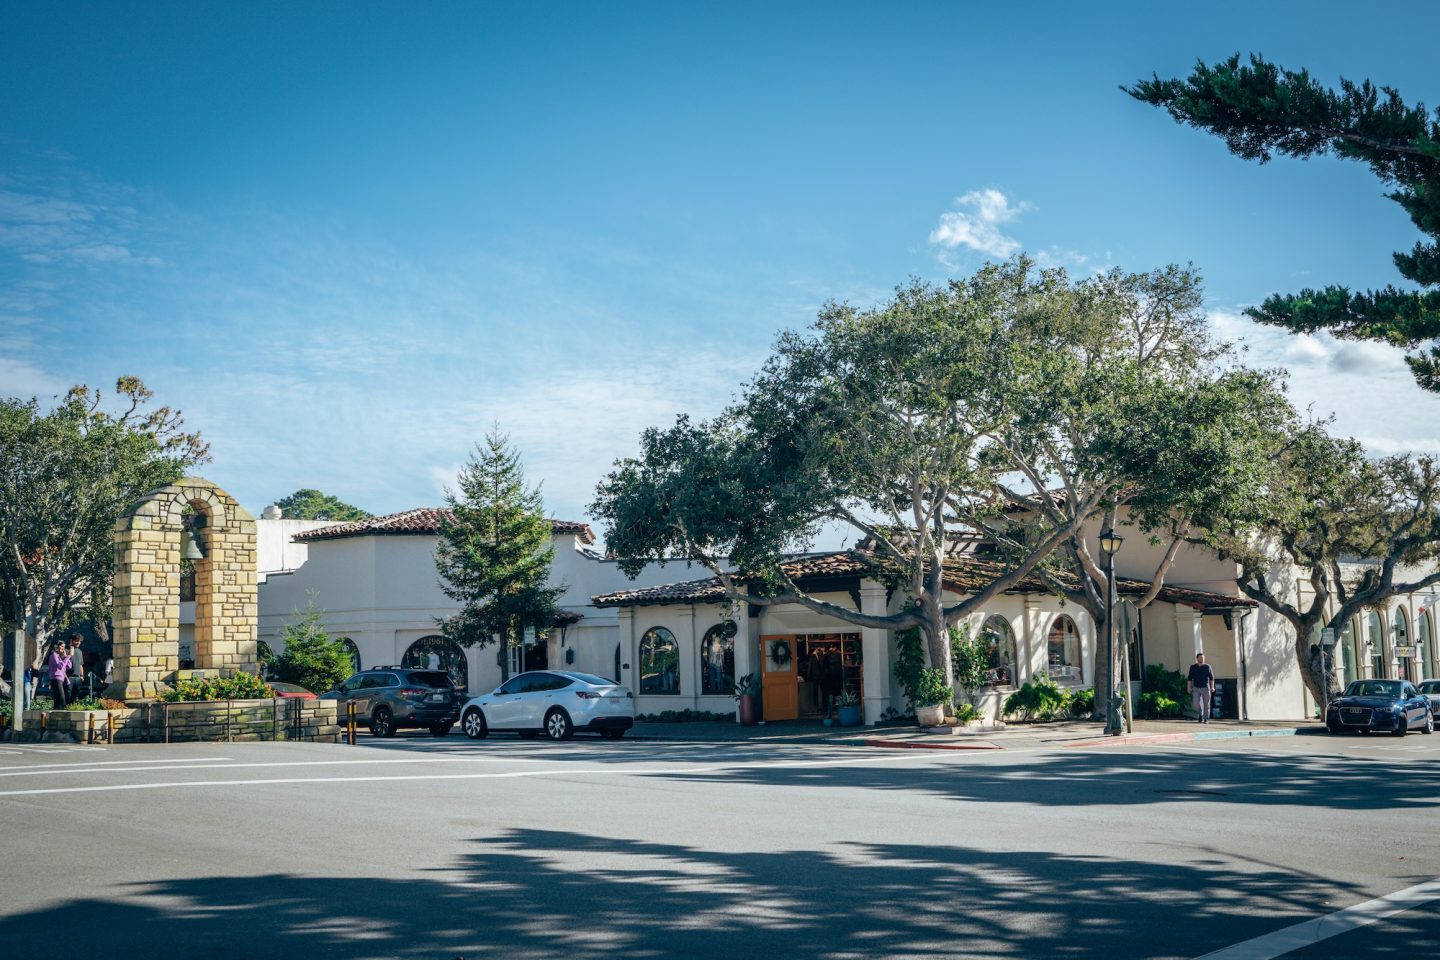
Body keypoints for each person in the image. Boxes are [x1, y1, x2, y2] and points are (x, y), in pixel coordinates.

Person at [1187, 651, 1215, 723]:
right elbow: (1190, 678)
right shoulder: (1193, 667)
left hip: (1205, 688)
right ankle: (1200, 714)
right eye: (1201, 657)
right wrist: (1189, 687)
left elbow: (1211, 678)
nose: (1202, 659)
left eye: (1203, 658)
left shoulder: (1207, 666)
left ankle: (1206, 719)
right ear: (1197, 658)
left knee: (1206, 704)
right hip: (1196, 687)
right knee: (1195, 703)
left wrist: (1212, 687)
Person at [47, 641, 72, 709]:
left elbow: (69, 666)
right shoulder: (54, 655)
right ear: (56, 646)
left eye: (64, 646)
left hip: (61, 680)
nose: (63, 648)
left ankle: (55, 715)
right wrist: (69, 656)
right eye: (62, 646)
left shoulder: (59, 657)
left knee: (58, 701)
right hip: (56, 679)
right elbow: (60, 666)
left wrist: (66, 656)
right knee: (61, 700)